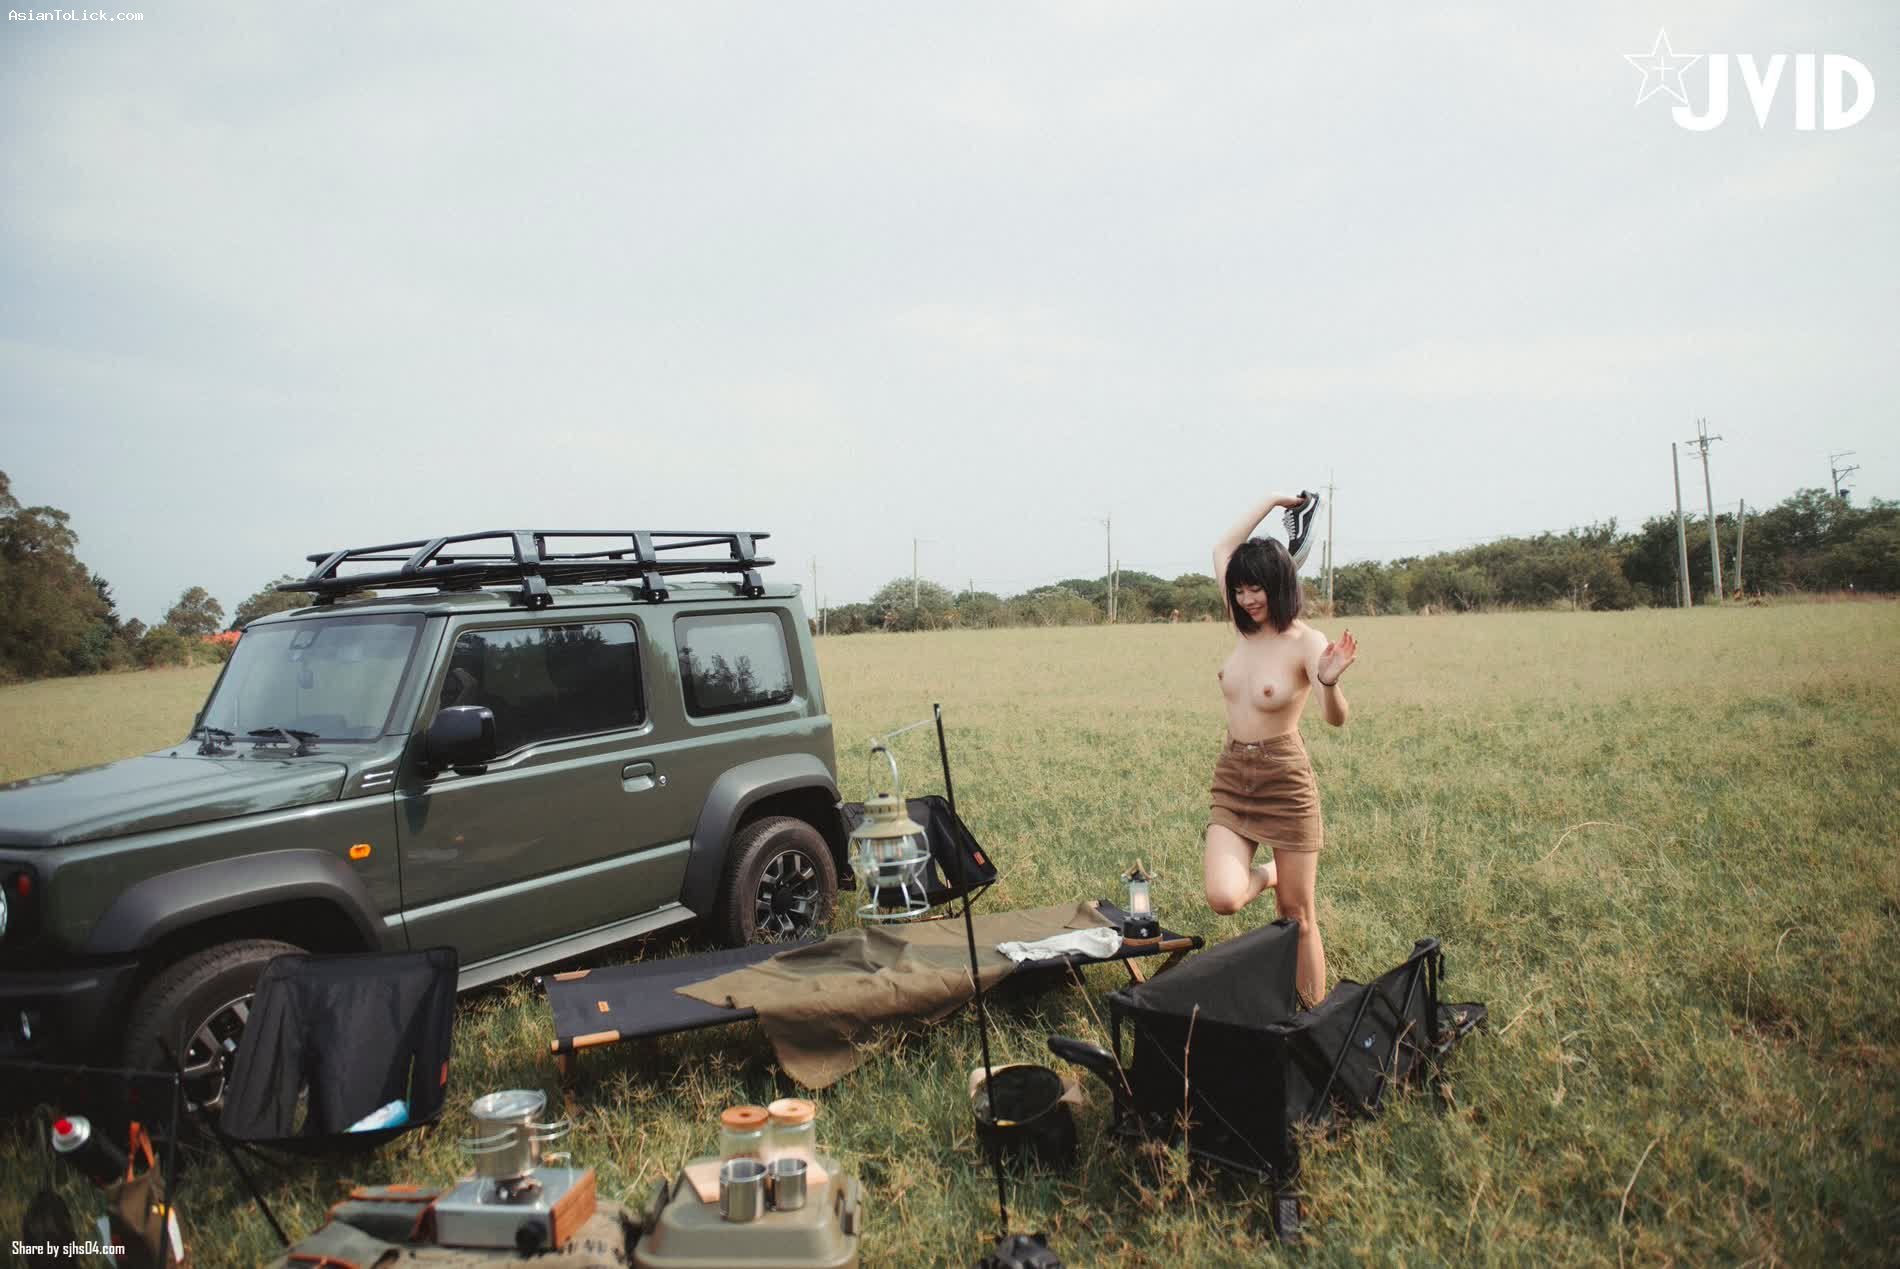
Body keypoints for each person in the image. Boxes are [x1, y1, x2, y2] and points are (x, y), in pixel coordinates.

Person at [1204, 490, 1357, 1006]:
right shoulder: (1241, 627)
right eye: (1240, 589)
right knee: (1224, 896)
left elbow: (1336, 719)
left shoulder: (1305, 641)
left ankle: (1311, 1018)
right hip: (1233, 776)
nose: (1247, 599)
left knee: (1297, 916)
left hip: (1285, 779)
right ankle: (1271, 873)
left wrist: (1330, 682)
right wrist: (1271, 502)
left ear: (1280, 585)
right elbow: (1223, 546)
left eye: (1257, 589)